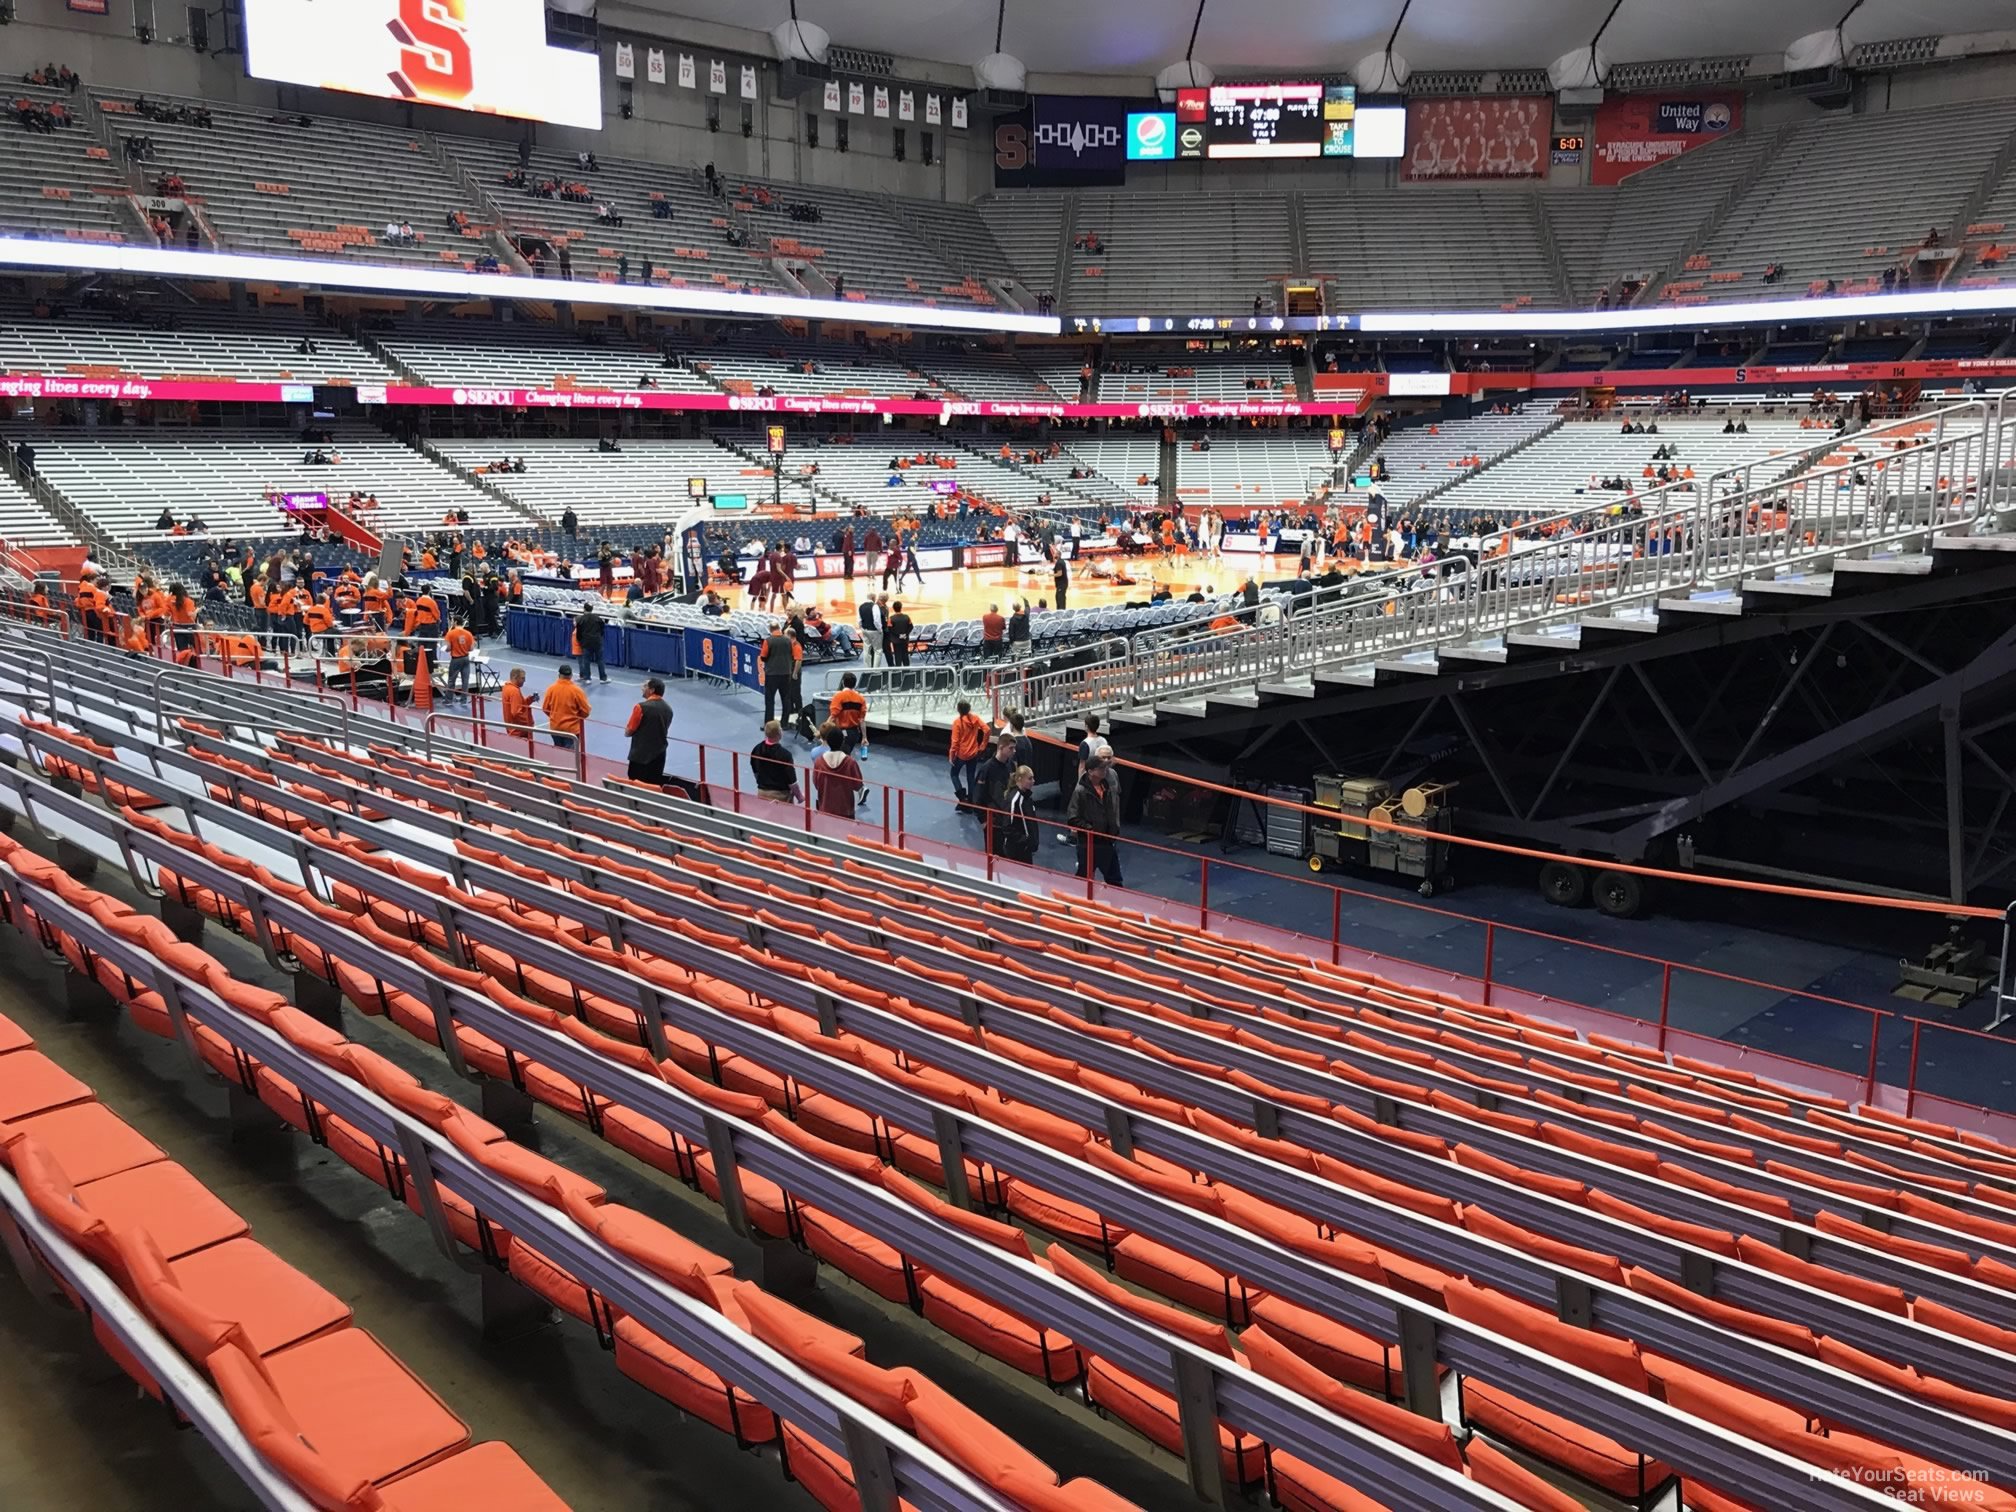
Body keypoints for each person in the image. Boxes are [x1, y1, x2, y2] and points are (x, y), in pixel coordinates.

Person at [1067, 751, 1124, 885]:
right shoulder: (1080, 791)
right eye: (1101, 768)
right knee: (1084, 877)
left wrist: (1114, 830)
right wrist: (1090, 830)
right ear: (1091, 771)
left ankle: (1114, 904)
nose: (1105, 770)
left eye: (1105, 767)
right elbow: (1072, 817)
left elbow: (1112, 811)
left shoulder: (1107, 787)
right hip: (1088, 842)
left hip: (1107, 841)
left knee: (1115, 879)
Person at [624, 677, 672, 785]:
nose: (642, 688)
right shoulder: (668, 709)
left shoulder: (640, 707)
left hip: (640, 756)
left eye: (645, 686)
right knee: (653, 785)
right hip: (659, 755)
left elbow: (629, 730)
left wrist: (627, 732)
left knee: (636, 785)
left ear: (652, 690)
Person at [811, 725, 865, 818]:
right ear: (842, 741)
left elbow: (816, 784)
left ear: (827, 741)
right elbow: (858, 785)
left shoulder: (819, 762)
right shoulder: (850, 762)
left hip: (825, 808)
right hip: (845, 810)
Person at [970, 734, 1018, 829]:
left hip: (1007, 817)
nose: (1014, 751)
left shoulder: (1011, 765)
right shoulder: (987, 769)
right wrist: (983, 820)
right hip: (993, 820)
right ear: (1001, 747)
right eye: (1011, 748)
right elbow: (977, 795)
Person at [761, 620, 801, 728]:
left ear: (770, 630)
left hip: (772, 674)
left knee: (770, 700)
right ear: (779, 628)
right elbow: (793, 655)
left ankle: (769, 724)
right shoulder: (788, 641)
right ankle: (784, 723)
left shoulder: (768, 641)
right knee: (786, 699)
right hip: (785, 673)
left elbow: (763, 657)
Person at [948, 699, 988, 805]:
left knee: (954, 774)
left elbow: (955, 742)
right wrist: (983, 745)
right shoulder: (975, 718)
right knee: (970, 776)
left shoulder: (957, 723)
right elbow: (987, 730)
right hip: (974, 753)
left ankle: (962, 798)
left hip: (961, 754)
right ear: (969, 708)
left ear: (958, 710)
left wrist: (951, 756)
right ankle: (971, 800)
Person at [541, 664, 591, 748]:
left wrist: (555, 717)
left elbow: (545, 708)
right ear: (571, 676)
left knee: (558, 752)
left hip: (555, 728)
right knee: (570, 756)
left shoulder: (551, 689)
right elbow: (585, 711)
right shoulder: (577, 690)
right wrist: (577, 717)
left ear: (559, 675)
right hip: (571, 730)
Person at [828, 672, 867, 754]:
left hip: (842, 733)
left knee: (841, 756)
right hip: (854, 734)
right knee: (846, 754)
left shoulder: (838, 696)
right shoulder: (861, 699)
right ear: (855, 684)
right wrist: (864, 737)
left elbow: (833, 716)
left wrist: (823, 731)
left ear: (843, 682)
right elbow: (862, 720)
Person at [440, 620, 476, 697]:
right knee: (465, 680)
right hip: (466, 658)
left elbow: (449, 647)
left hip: (456, 659)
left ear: (455, 622)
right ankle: (464, 699)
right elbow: (471, 648)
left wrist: (446, 649)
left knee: (452, 680)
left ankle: (449, 699)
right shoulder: (468, 633)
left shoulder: (451, 633)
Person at [574, 605, 608, 682]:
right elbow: (602, 629)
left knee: (586, 660)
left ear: (584, 609)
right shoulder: (598, 618)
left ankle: (587, 678)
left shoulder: (581, 619)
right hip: (597, 642)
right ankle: (603, 678)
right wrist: (599, 637)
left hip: (586, 642)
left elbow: (578, 633)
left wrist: (580, 641)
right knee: (600, 660)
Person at [501, 666, 534, 735]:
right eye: (522, 678)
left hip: (512, 728)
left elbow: (518, 704)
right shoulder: (514, 691)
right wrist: (528, 724)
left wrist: (529, 700)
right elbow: (516, 712)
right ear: (515, 677)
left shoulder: (506, 687)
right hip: (519, 731)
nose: (524, 680)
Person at [859, 593, 886, 668]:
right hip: (874, 631)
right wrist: (880, 629)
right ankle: (876, 669)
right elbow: (876, 620)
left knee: (866, 650)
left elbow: (859, 620)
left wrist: (862, 628)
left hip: (865, 630)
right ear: (873, 598)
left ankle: (867, 668)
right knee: (878, 650)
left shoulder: (861, 606)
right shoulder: (875, 606)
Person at [886, 602, 912, 667]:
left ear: (894, 608)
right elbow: (911, 626)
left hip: (896, 640)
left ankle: (898, 671)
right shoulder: (907, 617)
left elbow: (890, 629)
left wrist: (898, 635)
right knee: (905, 654)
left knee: (897, 655)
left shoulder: (891, 618)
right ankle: (907, 670)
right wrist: (905, 634)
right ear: (901, 608)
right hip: (905, 639)